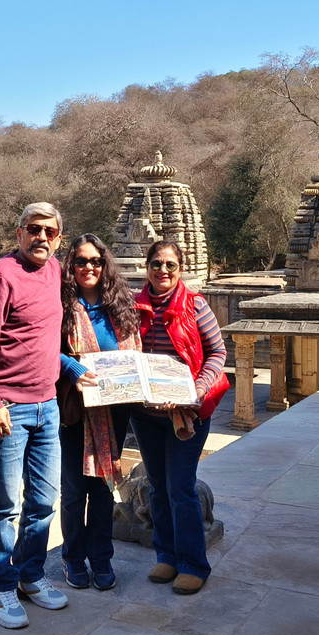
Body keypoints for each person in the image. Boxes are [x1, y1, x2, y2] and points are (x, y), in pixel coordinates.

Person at [0, 202, 69, 629]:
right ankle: (1, 587)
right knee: (5, 504)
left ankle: (30, 576)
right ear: (18, 233)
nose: (41, 238)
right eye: (33, 230)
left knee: (43, 502)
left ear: (58, 238)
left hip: (49, 405)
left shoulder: (57, 271)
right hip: (9, 407)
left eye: (49, 232)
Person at [129, 240, 229, 595]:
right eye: (156, 264)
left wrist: (197, 390)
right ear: (147, 267)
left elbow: (217, 352)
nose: (163, 271)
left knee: (180, 488)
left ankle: (193, 565)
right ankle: (167, 555)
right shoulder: (132, 307)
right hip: (146, 413)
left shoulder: (195, 305)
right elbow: (124, 353)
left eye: (170, 265)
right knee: (156, 487)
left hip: (187, 413)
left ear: (180, 269)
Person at [57, 234, 140, 592]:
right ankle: (74, 559)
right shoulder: (60, 305)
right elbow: (43, 348)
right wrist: (72, 369)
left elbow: (134, 350)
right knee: (75, 490)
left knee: (105, 486)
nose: (88, 267)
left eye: (95, 261)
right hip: (75, 409)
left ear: (105, 265)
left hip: (114, 407)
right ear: (70, 266)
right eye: (80, 261)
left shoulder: (119, 305)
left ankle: (102, 558)